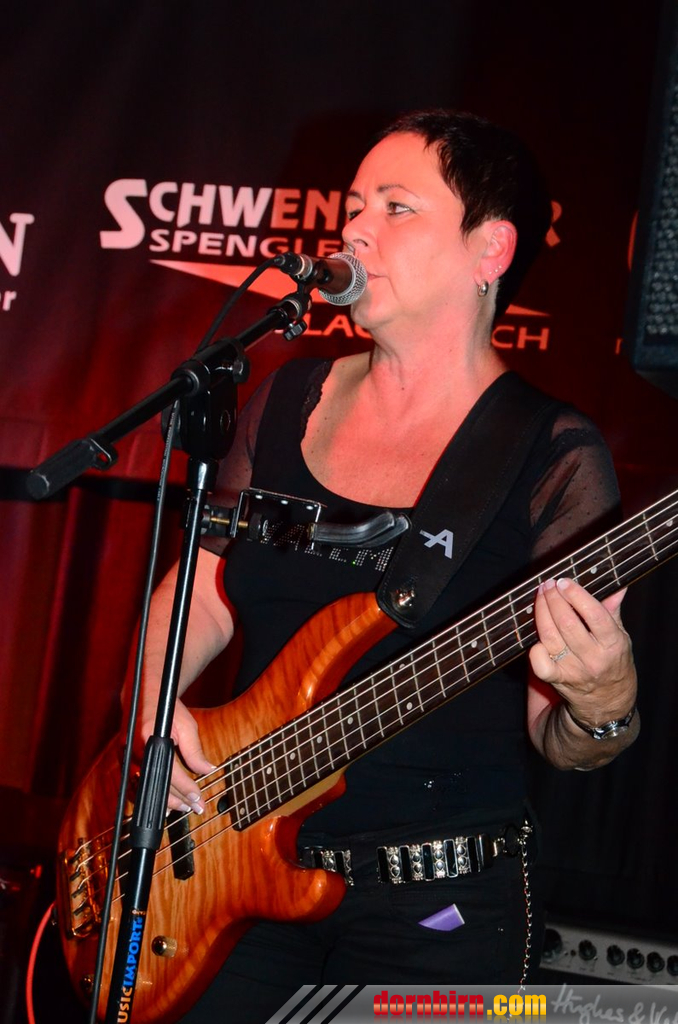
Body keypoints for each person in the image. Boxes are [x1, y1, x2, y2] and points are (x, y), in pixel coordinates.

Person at [133, 110, 638, 1020]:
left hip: (439, 910)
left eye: (396, 207)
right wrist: (153, 717)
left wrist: (603, 705)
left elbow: (559, 737)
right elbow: (199, 596)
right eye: (354, 205)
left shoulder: (553, 457)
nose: (355, 229)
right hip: (239, 874)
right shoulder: (288, 398)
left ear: (490, 250)